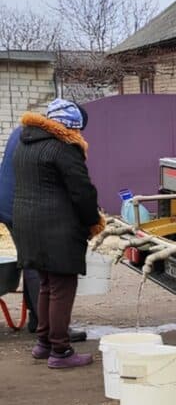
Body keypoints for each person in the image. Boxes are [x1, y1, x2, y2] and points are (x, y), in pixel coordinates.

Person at [12, 99, 101, 368]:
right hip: (57, 228)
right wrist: (93, 221)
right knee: (62, 287)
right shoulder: (64, 149)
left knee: (47, 285)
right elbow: (82, 192)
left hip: (28, 225)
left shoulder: (25, 145)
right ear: (70, 127)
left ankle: (44, 343)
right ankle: (60, 350)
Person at [1, 123, 87, 341]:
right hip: (18, 206)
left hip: (12, 203)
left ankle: (36, 320)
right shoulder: (51, 142)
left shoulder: (25, 132)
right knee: (41, 268)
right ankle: (53, 332)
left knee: (33, 262)